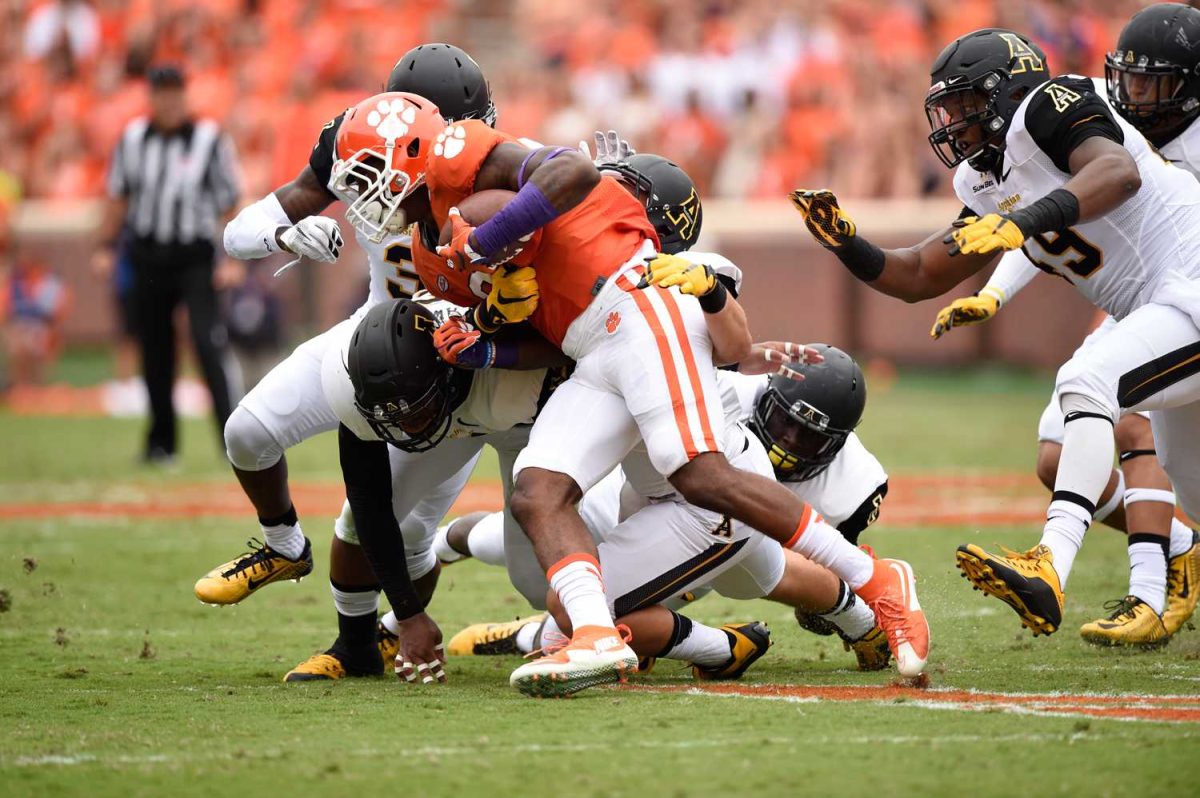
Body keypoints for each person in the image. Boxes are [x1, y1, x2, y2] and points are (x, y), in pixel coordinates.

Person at [339, 101, 928, 694]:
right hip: (590, 345)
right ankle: (596, 637)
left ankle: (874, 578)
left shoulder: (463, 158)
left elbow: (573, 174)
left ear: (410, 154)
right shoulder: (427, 253)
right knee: (537, 491)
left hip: (634, 301)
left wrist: (486, 239)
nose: (359, 200)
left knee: (699, 473)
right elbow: (544, 333)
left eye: (364, 175)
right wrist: (485, 343)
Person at [790, 27, 1200, 643]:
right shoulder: (980, 181)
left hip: (1188, 284)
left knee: (1086, 380)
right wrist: (851, 245)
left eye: (964, 105)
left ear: (1006, 92)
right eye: (945, 111)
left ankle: (1050, 564)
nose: (953, 124)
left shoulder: (1052, 103)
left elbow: (1116, 173)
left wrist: (1021, 225)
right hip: (1156, 309)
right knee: (1190, 478)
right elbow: (923, 273)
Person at [924, 4, 1200, 649]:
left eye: (1153, 83)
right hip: (1155, 295)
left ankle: (1129, 585)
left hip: (1186, 288)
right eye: (1128, 79)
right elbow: (1039, 223)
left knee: (1103, 391)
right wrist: (993, 295)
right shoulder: (1091, 113)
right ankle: (1171, 562)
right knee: (1079, 448)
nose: (1135, 96)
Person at [197, 44, 497, 606]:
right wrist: (284, 236)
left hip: (462, 360)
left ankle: (381, 636)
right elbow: (241, 231)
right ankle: (284, 546)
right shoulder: (362, 142)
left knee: (405, 537)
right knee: (246, 433)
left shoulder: (497, 173)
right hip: (376, 331)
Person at [93, 64, 242, 464]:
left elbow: (230, 203)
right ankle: (162, 444)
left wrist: (232, 256)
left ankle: (234, 442)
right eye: (162, 92)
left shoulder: (210, 140)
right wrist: (107, 244)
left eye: (176, 91)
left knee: (207, 342)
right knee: (155, 350)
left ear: (185, 95)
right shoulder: (133, 139)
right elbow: (118, 196)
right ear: (152, 97)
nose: (169, 100)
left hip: (195, 256)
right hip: (148, 255)